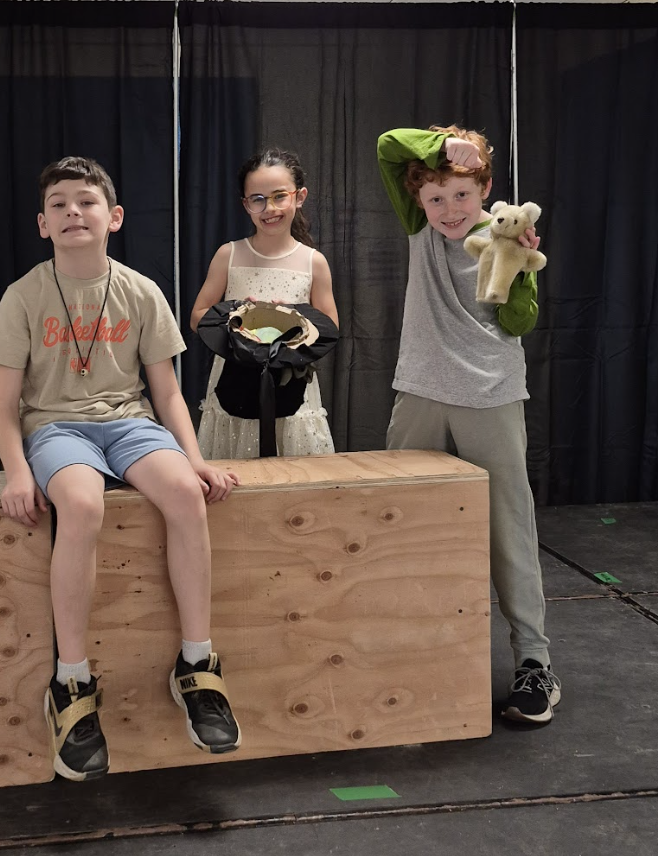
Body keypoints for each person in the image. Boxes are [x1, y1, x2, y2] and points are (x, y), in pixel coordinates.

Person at [0, 157, 241, 782]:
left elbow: (169, 394)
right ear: (42, 224)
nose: (74, 211)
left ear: (114, 217)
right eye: (60, 205)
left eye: (87, 201)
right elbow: (2, 407)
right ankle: (71, 682)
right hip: (56, 425)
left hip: (129, 422)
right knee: (81, 504)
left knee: (183, 493)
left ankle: (197, 667)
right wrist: (18, 472)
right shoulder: (23, 295)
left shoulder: (141, 290)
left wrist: (196, 459)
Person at [377, 126, 561, 725]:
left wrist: (523, 270)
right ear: (419, 199)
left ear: (485, 188)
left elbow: (520, 323)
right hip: (422, 388)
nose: (448, 210)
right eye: (435, 198)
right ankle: (395, 646)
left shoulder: (504, 233)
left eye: (461, 195)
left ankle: (534, 663)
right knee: (398, 519)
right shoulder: (417, 223)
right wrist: (442, 147)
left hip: (490, 389)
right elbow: (387, 145)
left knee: (508, 523)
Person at [190, 148, 339, 459]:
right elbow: (198, 316)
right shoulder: (228, 254)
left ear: (299, 197)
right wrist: (238, 320)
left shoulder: (314, 262)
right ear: (246, 205)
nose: (269, 208)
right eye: (257, 199)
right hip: (234, 379)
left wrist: (293, 324)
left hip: (292, 383)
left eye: (279, 196)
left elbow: (330, 326)